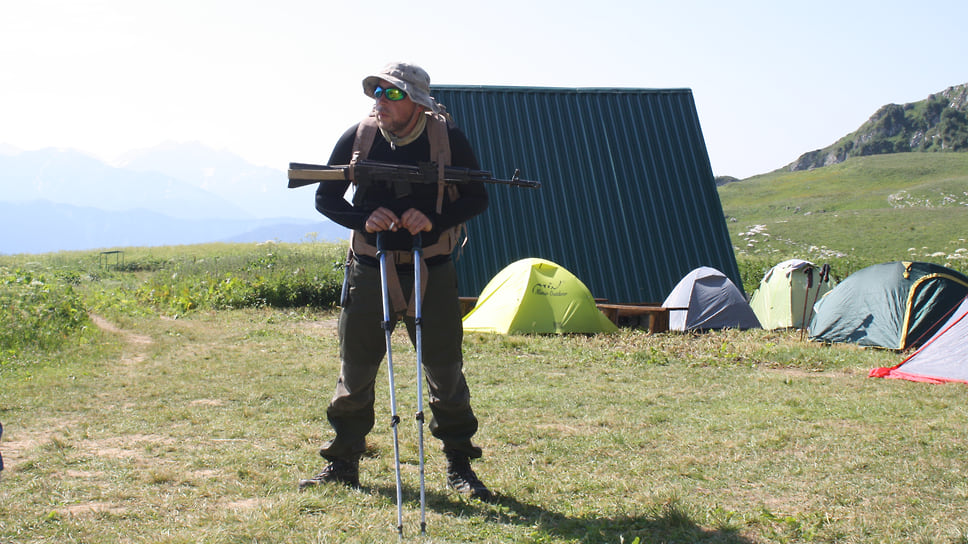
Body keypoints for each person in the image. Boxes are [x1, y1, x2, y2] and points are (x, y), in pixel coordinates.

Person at [299, 62, 493, 501]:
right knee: (356, 371)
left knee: (446, 372)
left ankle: (459, 464)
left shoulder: (449, 140)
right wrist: (365, 220)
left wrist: (435, 219)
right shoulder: (359, 136)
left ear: (417, 102)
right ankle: (343, 461)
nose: (379, 102)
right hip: (370, 268)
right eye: (377, 93)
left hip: (433, 270)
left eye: (391, 94)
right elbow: (324, 195)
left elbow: (479, 196)